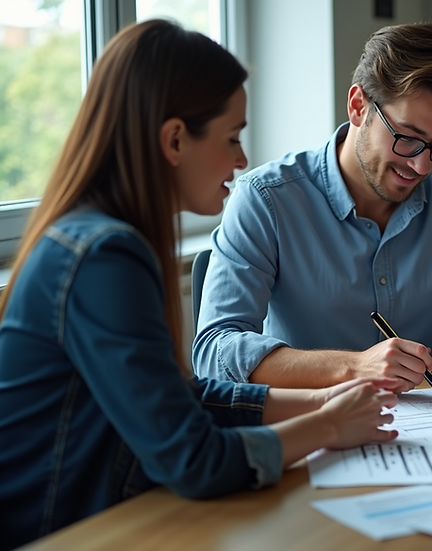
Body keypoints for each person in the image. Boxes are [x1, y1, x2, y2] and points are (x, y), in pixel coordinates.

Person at [0, 21, 399, 550]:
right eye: (232, 137)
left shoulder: (95, 238)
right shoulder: (105, 258)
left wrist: (320, 400)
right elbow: (193, 459)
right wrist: (326, 427)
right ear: (173, 139)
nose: (241, 159)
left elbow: (180, 399)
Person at [192, 23, 432, 404]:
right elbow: (215, 350)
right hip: (308, 425)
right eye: (408, 138)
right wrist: (353, 366)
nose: (422, 165)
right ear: (358, 106)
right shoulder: (266, 200)